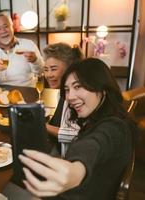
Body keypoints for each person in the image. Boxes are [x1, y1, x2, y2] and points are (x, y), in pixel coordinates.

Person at [19, 58, 136, 199]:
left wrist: (76, 170)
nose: (70, 97)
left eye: (78, 86)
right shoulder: (104, 117)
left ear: (102, 88)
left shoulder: (115, 127)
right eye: (67, 90)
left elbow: (95, 144)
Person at [42, 43, 84, 155]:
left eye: (53, 69)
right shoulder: (61, 92)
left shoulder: (75, 96)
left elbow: (77, 135)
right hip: (56, 146)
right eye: (46, 69)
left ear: (69, 68)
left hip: (70, 156)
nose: (48, 75)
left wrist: (43, 126)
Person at [0, 13, 44, 87]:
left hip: (27, 90)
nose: (3, 31)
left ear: (12, 27)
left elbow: (41, 71)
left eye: (6, 26)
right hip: (2, 92)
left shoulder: (28, 44)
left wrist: (35, 60)